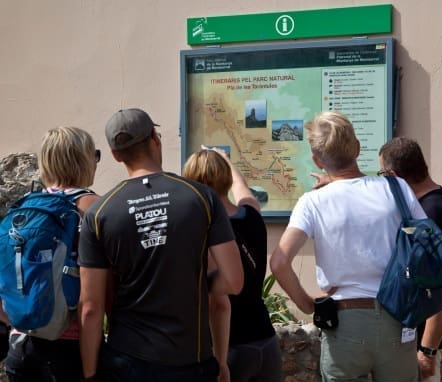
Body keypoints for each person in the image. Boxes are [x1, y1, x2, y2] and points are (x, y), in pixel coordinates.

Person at [78, 108, 243, 382]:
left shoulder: (101, 213)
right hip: (191, 361)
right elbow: (234, 282)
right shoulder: (201, 197)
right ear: (155, 138)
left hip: (127, 360)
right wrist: (196, 281)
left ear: (116, 154)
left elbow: (91, 308)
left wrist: (89, 374)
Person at [270, 111, 425, 381]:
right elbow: (425, 244)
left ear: (317, 160)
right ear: (357, 148)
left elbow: (279, 262)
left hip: (344, 322)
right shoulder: (397, 188)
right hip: (397, 316)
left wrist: (307, 305)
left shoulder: (313, 202)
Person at [4, 126, 100, 381]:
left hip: (21, 342)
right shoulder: (94, 208)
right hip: (70, 347)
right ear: (84, 159)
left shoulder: (24, 206)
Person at [183, 146, 282, 382]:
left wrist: (219, 359)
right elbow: (242, 190)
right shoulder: (252, 216)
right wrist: (226, 161)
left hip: (231, 348)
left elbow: (218, 302)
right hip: (266, 342)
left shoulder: (205, 232)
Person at [378, 137, 442, 382]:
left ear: (394, 174)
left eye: (382, 174)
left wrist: (427, 350)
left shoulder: (432, 211)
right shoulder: (432, 201)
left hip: (424, 342)